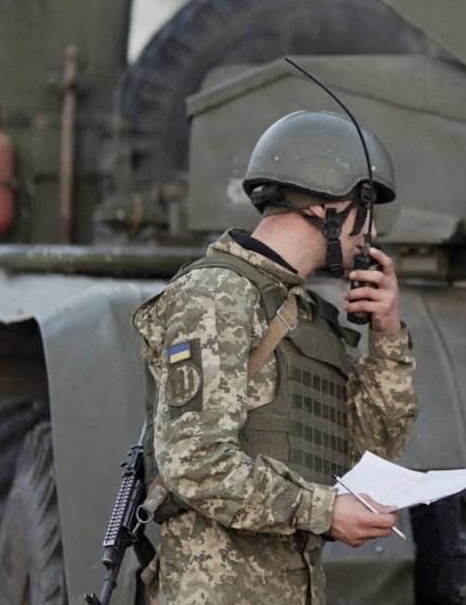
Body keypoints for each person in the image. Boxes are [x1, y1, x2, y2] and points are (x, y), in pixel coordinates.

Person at [133, 110, 417, 603]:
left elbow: (370, 453)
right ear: (327, 207)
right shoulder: (216, 295)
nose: (370, 232)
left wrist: (387, 335)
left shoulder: (304, 313)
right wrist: (324, 512)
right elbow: (196, 462)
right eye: (364, 209)